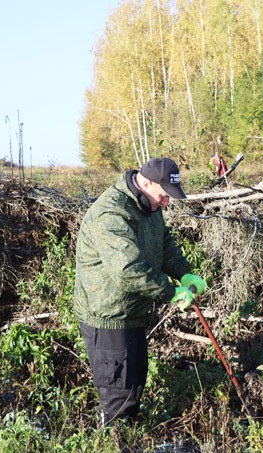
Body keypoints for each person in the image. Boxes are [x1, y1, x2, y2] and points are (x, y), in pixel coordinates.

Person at [73, 157, 206, 425]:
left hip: (131, 313)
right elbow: (128, 270)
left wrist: (184, 272)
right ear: (145, 183)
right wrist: (171, 293)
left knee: (134, 384)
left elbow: (163, 242)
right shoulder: (112, 214)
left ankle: (130, 434)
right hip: (108, 318)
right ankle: (115, 439)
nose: (166, 203)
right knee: (118, 397)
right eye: (164, 196)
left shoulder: (149, 204)